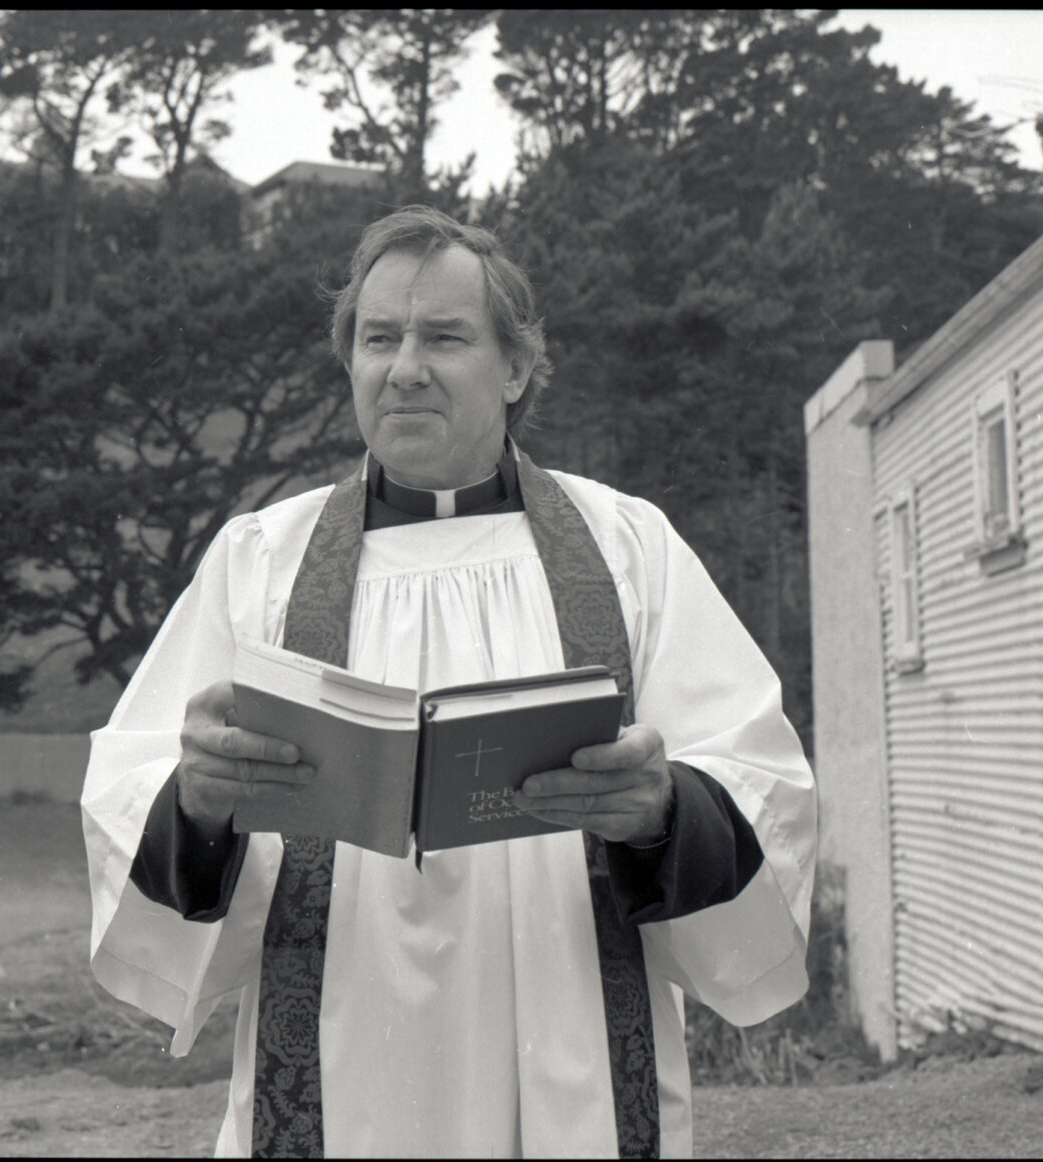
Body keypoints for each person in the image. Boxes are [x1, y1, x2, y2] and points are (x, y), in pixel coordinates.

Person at [81, 205, 817, 1159]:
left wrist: (666, 808)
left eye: (445, 337)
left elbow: (762, 782)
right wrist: (197, 802)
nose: (406, 367)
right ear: (350, 362)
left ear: (514, 369)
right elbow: (130, 792)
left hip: (572, 1050)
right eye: (379, 338)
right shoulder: (261, 561)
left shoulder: (629, 547)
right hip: (341, 1054)